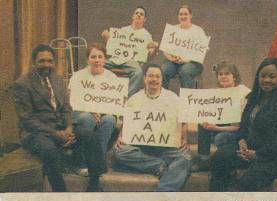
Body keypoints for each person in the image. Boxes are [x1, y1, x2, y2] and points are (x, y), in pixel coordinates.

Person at [13, 44, 106, 192]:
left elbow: (66, 108)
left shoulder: (57, 79)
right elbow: (27, 119)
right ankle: (60, 194)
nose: (46, 65)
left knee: (90, 136)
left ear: (54, 62)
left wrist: (68, 128)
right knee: (50, 150)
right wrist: (55, 134)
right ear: (33, 62)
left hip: (61, 129)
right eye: (41, 61)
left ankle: (94, 184)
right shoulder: (22, 84)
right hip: (35, 133)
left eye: (50, 61)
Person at [209, 58, 277, 192]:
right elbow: (243, 125)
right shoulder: (253, 97)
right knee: (219, 158)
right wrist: (241, 140)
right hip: (252, 148)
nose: (266, 80)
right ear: (257, 77)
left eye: (272, 76)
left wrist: (258, 154)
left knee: (247, 181)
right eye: (263, 76)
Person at [112, 63, 192, 191]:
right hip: (140, 146)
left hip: (166, 146)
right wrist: (121, 136)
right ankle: (159, 166)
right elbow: (126, 120)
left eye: (157, 76)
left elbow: (183, 121)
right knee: (120, 152)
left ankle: (163, 192)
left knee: (185, 157)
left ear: (161, 79)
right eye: (150, 76)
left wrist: (184, 139)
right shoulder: (135, 98)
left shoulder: (172, 98)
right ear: (144, 78)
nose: (154, 79)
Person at [192, 61, 250, 171]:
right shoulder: (219, 93)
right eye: (220, 74)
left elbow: (238, 127)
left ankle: (226, 164)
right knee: (202, 123)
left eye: (227, 74)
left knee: (220, 137)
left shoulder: (243, 93)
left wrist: (216, 128)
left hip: (239, 131)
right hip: (224, 125)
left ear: (235, 76)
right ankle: (204, 159)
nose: (223, 76)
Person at [68, 43, 117, 175]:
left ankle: (97, 162)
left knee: (110, 120)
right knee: (87, 118)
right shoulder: (78, 77)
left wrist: (101, 111)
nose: (97, 60)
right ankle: (81, 163)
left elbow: (114, 102)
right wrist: (90, 110)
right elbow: (73, 101)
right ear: (87, 59)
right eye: (93, 57)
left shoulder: (112, 78)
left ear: (105, 59)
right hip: (81, 112)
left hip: (103, 113)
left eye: (100, 57)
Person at [102, 6, 158, 97]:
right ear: (133, 16)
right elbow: (113, 46)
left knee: (138, 73)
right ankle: (101, 94)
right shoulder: (123, 30)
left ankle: (125, 98)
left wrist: (154, 48)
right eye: (137, 13)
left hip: (132, 62)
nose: (139, 15)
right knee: (97, 64)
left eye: (141, 14)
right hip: (116, 59)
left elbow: (150, 55)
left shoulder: (146, 35)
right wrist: (107, 38)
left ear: (145, 19)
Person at [161, 5, 205, 89]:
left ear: (190, 15)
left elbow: (201, 51)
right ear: (178, 16)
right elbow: (165, 49)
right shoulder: (173, 29)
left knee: (185, 71)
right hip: (174, 62)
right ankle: (164, 97)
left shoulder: (198, 31)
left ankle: (185, 99)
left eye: (186, 14)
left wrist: (186, 60)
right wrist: (172, 58)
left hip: (193, 62)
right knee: (164, 70)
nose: (183, 16)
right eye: (181, 14)